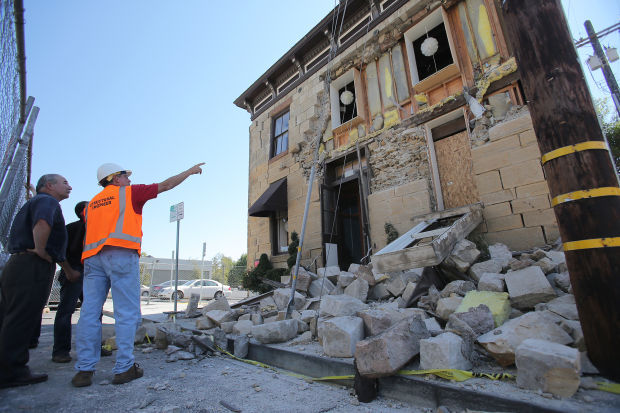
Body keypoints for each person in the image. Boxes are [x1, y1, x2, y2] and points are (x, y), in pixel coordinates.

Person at [72, 162, 204, 387]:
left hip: (93, 259)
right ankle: (124, 368)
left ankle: (84, 370)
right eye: (125, 176)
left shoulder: (90, 205)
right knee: (126, 313)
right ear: (115, 179)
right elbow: (166, 185)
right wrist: (189, 172)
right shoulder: (129, 193)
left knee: (89, 313)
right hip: (121, 254)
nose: (129, 180)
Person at [0, 174, 80, 388]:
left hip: (19, 265)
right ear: (49, 186)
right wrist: (40, 250)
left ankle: (8, 367)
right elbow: (42, 222)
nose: (69, 186)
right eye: (65, 182)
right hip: (32, 265)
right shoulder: (47, 201)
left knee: (11, 316)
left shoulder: (37, 200)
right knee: (21, 318)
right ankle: (12, 372)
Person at [52, 201, 112, 363]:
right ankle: (60, 351)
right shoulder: (71, 229)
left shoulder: (99, 230)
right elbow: (58, 252)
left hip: (92, 275)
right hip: (74, 274)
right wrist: (69, 271)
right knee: (66, 311)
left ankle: (94, 348)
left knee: (94, 312)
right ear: (83, 212)